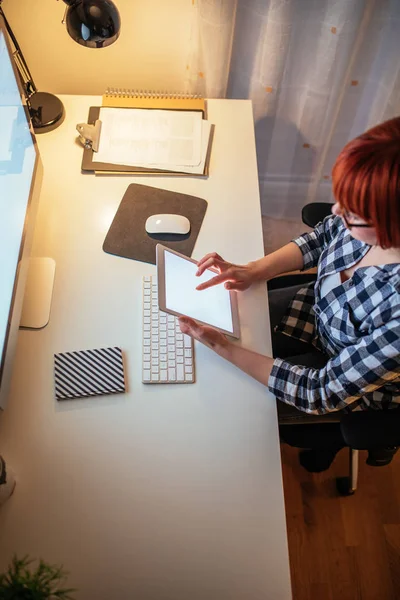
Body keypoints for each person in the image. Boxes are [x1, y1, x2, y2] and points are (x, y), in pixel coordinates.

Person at [179, 116, 400, 472]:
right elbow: (325, 234)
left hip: (340, 374)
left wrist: (223, 347)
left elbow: (321, 391)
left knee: (238, 407)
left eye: (353, 213)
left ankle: (318, 445)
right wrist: (254, 270)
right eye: (341, 199)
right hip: (316, 313)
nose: (335, 212)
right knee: (221, 354)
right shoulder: (359, 220)